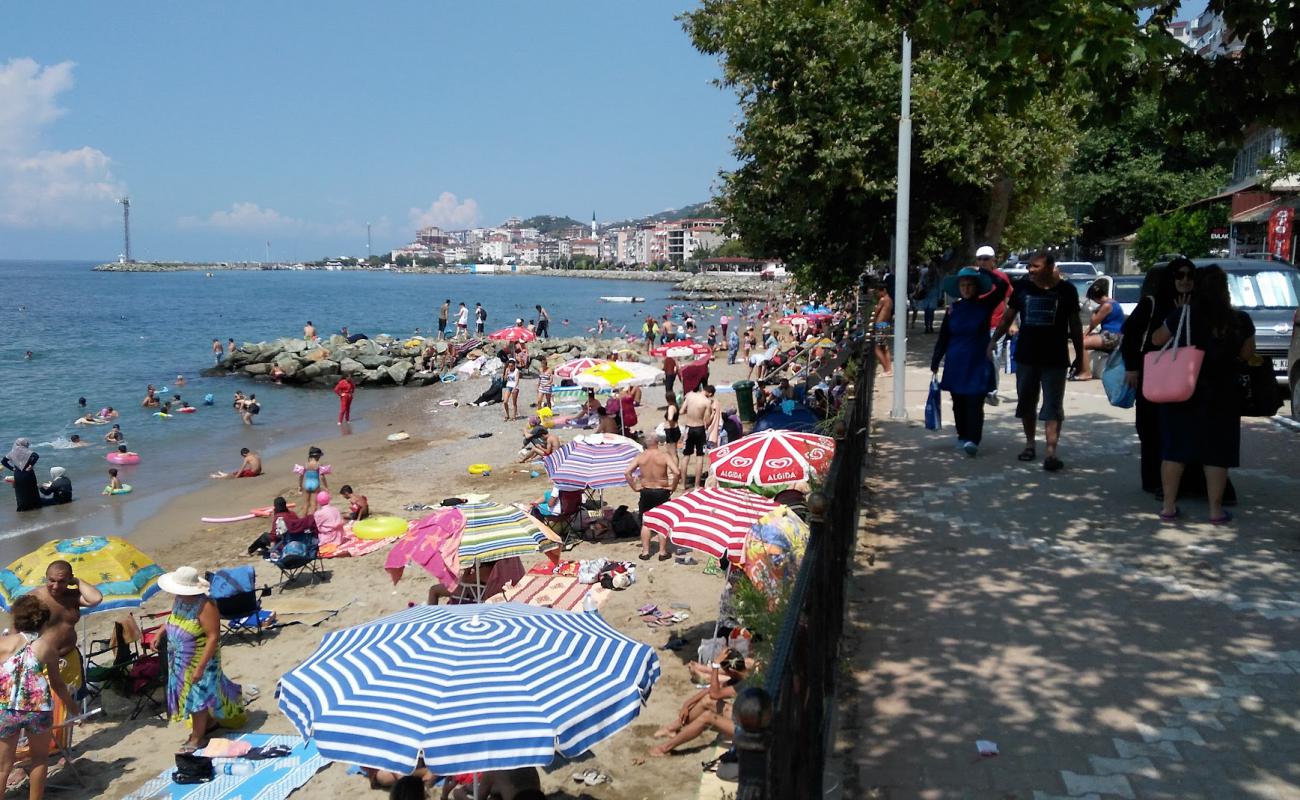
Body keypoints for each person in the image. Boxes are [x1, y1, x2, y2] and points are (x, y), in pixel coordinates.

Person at [1151, 265, 1254, 525]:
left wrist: (1177, 316)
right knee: (1217, 453)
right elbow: (1247, 354)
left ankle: (1168, 507)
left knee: (1175, 450)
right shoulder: (1239, 320)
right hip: (1222, 393)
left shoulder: (1184, 314)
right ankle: (1215, 511)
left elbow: (1156, 339)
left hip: (1183, 389)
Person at [988, 250, 1083, 472]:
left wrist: (1080, 356)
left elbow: (1076, 326)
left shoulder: (1067, 291)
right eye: (1029, 266)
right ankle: (1030, 444)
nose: (1030, 270)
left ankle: (1051, 453)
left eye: (1036, 266)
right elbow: (1007, 318)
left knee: (1052, 406)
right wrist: (993, 341)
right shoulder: (1022, 288)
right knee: (1026, 403)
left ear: (1050, 267)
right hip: (1027, 357)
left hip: (1056, 359)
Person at [157, 566, 246, 751]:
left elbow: (214, 636)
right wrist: (160, 632)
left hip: (200, 659)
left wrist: (200, 667)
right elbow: (173, 618)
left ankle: (197, 738)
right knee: (191, 695)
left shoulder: (206, 605)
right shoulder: (179, 600)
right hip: (179, 659)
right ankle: (210, 723)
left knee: (197, 697)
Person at [0, 596, 77, 800]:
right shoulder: (46, 647)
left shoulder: (3, 643)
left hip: (7, 708)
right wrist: (73, 708)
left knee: (2, 766)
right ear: (43, 623)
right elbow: (58, 684)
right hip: (38, 708)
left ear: (15, 620)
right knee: (40, 759)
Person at [931, 266, 1009, 457]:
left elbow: (1003, 286)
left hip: (977, 361)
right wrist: (935, 360)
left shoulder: (985, 304)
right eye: (963, 285)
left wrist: (984, 270)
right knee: (958, 402)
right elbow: (943, 338)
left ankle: (973, 439)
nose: (966, 288)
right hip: (956, 361)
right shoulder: (952, 310)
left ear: (976, 288)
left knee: (975, 401)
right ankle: (962, 435)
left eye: (970, 285)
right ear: (958, 288)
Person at [649, 648, 748, 757]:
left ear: (732, 671)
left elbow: (715, 693)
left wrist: (715, 666)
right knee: (707, 701)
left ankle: (665, 748)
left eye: (725, 671)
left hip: (748, 731)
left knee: (707, 717)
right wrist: (687, 704)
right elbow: (710, 691)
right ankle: (672, 728)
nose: (724, 673)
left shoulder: (746, 684)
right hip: (745, 716)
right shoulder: (743, 676)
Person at [625, 432, 679, 561]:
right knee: (662, 521)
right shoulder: (664, 456)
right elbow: (677, 472)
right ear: (658, 443)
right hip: (662, 491)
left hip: (646, 491)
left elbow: (627, 472)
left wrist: (634, 487)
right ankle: (662, 552)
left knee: (646, 522)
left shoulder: (641, 457)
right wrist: (673, 487)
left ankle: (645, 552)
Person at [1072, 281, 1126, 381]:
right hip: (1110, 334)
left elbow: (1094, 322)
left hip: (1112, 336)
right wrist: (1085, 334)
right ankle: (1081, 368)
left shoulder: (1106, 306)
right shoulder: (1111, 303)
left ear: (1095, 298)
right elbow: (1092, 327)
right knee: (1082, 340)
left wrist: (1094, 311)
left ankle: (1086, 372)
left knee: (1081, 344)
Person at [679, 386, 712, 489]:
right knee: (699, 457)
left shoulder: (689, 396)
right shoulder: (707, 402)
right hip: (699, 428)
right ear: (710, 394)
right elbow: (707, 422)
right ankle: (697, 485)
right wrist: (713, 415)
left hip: (689, 428)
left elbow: (681, 411)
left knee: (686, 456)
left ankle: (683, 484)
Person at [2, 438, 40, 512]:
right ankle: (35, 506)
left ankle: (22, 507)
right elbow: (36, 456)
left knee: (20, 491)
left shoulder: (12, 452)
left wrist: (12, 468)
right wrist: (31, 465)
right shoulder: (27, 451)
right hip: (28, 472)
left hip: (18, 473)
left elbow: (3, 461)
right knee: (32, 489)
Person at [871, 283, 894, 377]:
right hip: (886, 324)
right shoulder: (890, 300)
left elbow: (876, 312)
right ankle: (889, 369)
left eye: (878, 292)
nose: (878, 294)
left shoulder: (883, 300)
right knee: (885, 347)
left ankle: (886, 369)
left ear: (883, 290)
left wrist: (872, 322)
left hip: (880, 325)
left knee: (877, 349)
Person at [297, 447, 328, 515]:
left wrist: (300, 486)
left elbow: (301, 476)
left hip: (306, 484)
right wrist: (326, 487)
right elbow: (322, 477)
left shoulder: (305, 464)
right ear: (317, 456)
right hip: (315, 484)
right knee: (314, 505)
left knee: (305, 505)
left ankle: (303, 521)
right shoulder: (318, 464)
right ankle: (311, 521)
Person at [914, 259, 942, 334]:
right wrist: (940, 296)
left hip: (926, 294)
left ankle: (927, 327)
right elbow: (939, 286)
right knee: (931, 311)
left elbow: (921, 283)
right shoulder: (937, 275)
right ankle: (930, 326)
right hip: (934, 294)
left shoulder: (925, 274)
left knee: (926, 311)